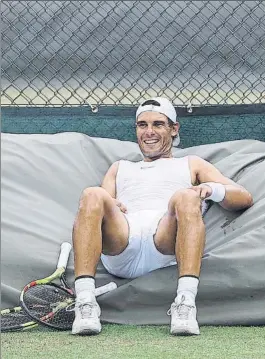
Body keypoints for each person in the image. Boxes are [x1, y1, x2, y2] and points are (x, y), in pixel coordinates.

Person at [71, 97, 253, 336]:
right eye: (142, 125)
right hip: (123, 243)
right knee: (91, 194)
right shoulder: (120, 167)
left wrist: (210, 190)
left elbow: (244, 197)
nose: (149, 132)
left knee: (186, 197)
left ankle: (185, 303)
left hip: (165, 242)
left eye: (158, 124)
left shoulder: (191, 163)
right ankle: (85, 303)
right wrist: (111, 203)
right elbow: (100, 205)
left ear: (174, 128)